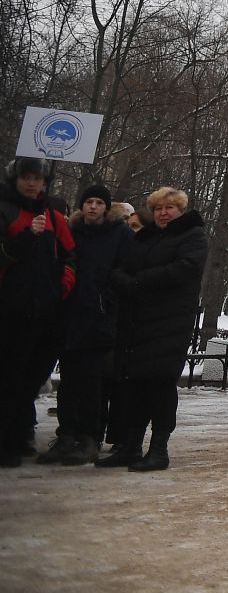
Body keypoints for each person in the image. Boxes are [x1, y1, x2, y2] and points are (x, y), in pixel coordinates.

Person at [99, 187, 207, 472]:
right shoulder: (144, 238)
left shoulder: (192, 236)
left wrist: (138, 282)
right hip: (137, 323)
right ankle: (131, 446)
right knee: (132, 385)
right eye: (159, 208)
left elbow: (184, 269)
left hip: (170, 324)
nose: (164, 213)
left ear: (180, 211)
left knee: (159, 385)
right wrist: (123, 280)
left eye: (170, 208)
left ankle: (159, 449)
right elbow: (121, 268)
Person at [38, 183, 132, 465]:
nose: (92, 207)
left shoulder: (120, 234)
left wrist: (107, 296)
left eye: (98, 203)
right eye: (88, 201)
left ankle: (90, 437)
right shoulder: (72, 231)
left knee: (91, 383)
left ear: (106, 207)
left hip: (99, 316)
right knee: (69, 382)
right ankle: (66, 435)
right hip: (69, 316)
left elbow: (125, 270)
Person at [1, 158, 75, 466]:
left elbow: (70, 256)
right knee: (7, 379)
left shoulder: (54, 217)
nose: (31, 184)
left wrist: (62, 289)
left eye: (37, 178)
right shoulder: (5, 210)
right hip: (9, 312)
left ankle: (19, 436)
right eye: (26, 178)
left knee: (31, 380)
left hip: (45, 313)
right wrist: (25, 236)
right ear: (16, 180)